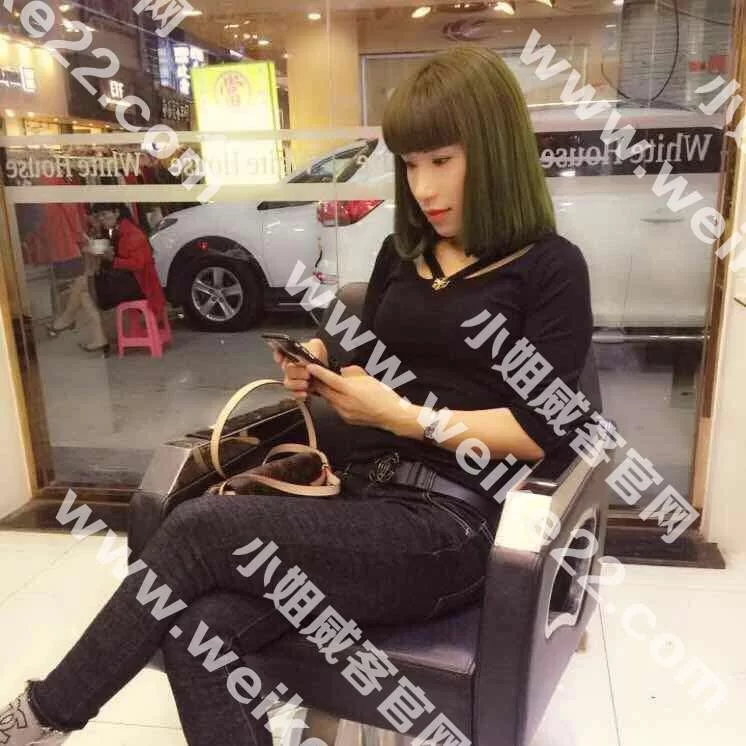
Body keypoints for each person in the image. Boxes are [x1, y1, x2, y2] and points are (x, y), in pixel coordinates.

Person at [0, 47, 592, 746]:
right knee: (199, 632)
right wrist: (317, 362)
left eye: (443, 160)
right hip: (358, 498)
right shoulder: (403, 256)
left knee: (195, 527)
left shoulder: (549, 269)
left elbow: (539, 432)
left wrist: (410, 419)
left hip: (451, 526)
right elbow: (363, 349)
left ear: (495, 152)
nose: (424, 186)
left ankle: (40, 720)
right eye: (410, 164)